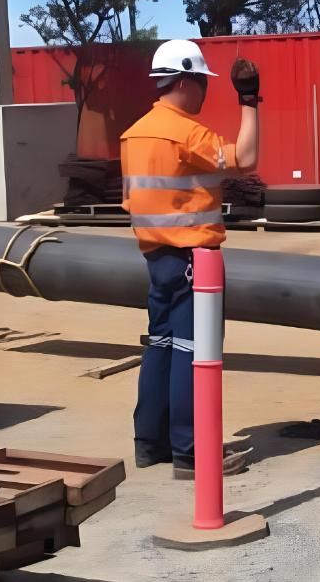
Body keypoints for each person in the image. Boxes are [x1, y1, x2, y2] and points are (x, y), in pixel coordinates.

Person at [121, 40, 261, 479]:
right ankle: (191, 451)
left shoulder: (135, 132)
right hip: (192, 258)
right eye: (202, 82)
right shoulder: (184, 132)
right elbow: (247, 157)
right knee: (193, 351)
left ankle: (151, 442)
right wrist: (250, 100)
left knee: (160, 344)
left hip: (156, 256)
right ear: (185, 80)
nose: (204, 92)